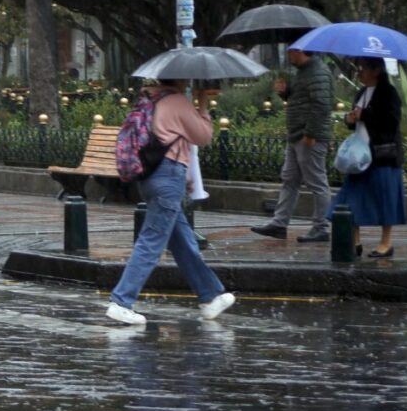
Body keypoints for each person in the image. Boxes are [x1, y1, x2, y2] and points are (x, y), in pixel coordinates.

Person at [106, 80, 235, 326]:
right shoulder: (177, 102)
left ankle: (210, 297)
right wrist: (204, 105)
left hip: (150, 177)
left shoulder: (149, 100)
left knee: (182, 240)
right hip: (167, 178)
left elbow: (168, 140)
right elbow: (204, 136)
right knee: (151, 241)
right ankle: (121, 301)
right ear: (179, 79)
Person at [251, 49, 334, 242]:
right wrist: (286, 93)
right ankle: (279, 224)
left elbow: (321, 104)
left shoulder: (318, 72)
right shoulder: (304, 72)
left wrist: (311, 133)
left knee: (316, 181)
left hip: (308, 137)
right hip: (297, 135)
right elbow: (302, 101)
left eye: (291, 52)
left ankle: (321, 227)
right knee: (289, 179)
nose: (289, 55)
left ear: (300, 51)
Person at [328, 57, 405, 258]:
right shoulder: (361, 93)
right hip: (359, 155)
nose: (359, 72)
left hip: (382, 155)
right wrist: (350, 119)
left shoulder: (388, 93)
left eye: (363, 68)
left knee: (384, 199)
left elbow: (391, 122)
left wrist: (366, 115)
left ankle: (386, 243)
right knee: (350, 199)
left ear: (377, 70)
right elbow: (355, 121)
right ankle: (355, 241)